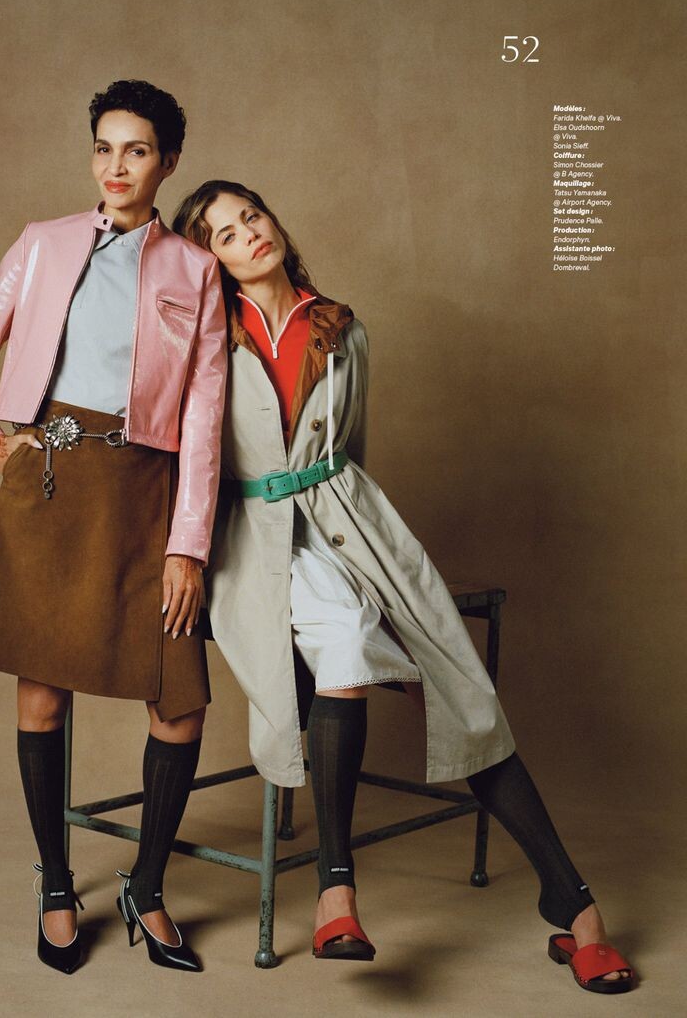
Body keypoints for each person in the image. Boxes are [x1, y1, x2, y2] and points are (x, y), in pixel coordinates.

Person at [173, 181, 636, 994]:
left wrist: (357, 537)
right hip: (254, 543)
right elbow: (189, 460)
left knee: (465, 692)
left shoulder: (340, 327)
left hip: (354, 527)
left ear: (273, 221)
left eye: (251, 217)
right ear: (210, 261)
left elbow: (351, 450)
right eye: (224, 234)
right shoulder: (206, 338)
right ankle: (337, 893)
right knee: (346, 643)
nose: (247, 235)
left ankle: (573, 905)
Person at [0, 82, 227, 975]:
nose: (116, 166)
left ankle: (148, 886)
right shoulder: (43, 242)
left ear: (167, 162)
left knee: (180, 703)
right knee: (42, 694)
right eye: (104, 147)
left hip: (147, 493)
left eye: (136, 150)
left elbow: (206, 418)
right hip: (51, 486)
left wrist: (188, 545)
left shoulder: (195, 269)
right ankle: (58, 885)